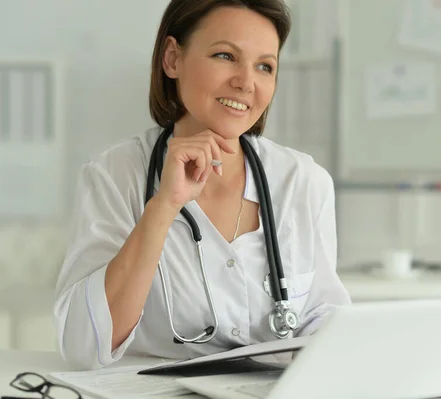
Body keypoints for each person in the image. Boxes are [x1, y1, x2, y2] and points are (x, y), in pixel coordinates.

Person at [54, 0, 351, 370]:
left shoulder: (303, 182)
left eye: (265, 66)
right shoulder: (115, 176)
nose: (246, 82)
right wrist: (163, 206)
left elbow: (326, 319)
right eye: (225, 56)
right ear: (172, 59)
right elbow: (83, 344)